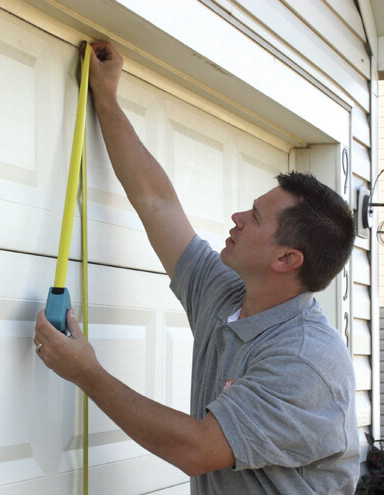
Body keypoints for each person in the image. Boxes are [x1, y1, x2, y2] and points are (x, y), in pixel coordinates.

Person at [33, 41, 359, 494]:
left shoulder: (305, 361)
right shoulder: (227, 297)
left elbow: (198, 449)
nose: (237, 219)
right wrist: (106, 99)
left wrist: (86, 372)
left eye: (256, 219)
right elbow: (157, 202)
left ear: (286, 260)